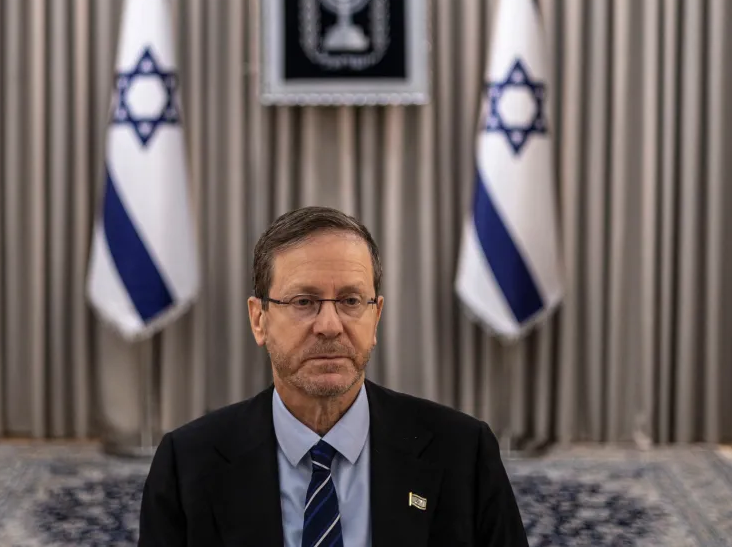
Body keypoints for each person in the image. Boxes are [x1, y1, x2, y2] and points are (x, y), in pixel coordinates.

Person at [139, 206, 529, 546]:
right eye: (304, 301)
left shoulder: (463, 452)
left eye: (350, 301)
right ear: (259, 320)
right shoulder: (187, 463)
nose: (329, 325)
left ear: (375, 317)